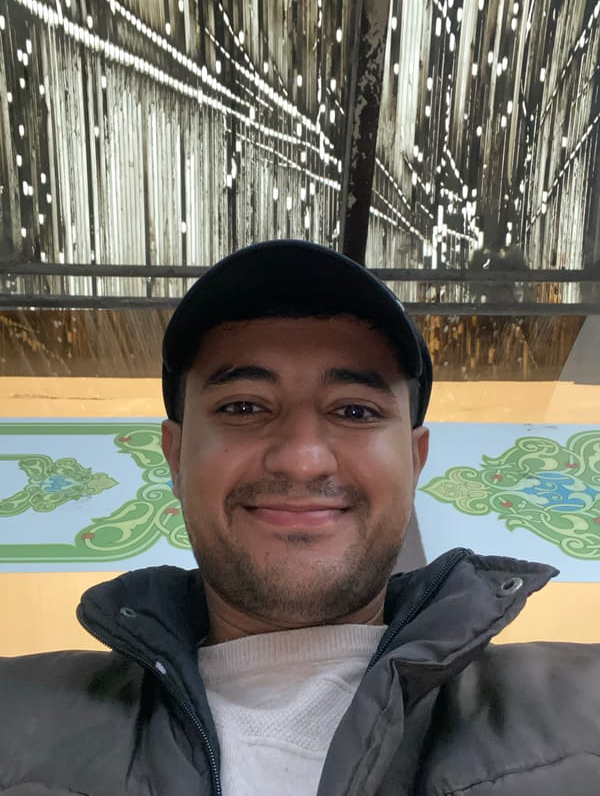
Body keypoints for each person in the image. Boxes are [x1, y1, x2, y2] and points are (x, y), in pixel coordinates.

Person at [1, 239, 599, 795]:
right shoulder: (18, 713)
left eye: (357, 411)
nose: (303, 458)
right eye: (243, 406)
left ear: (415, 461)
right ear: (175, 456)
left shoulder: (582, 705)